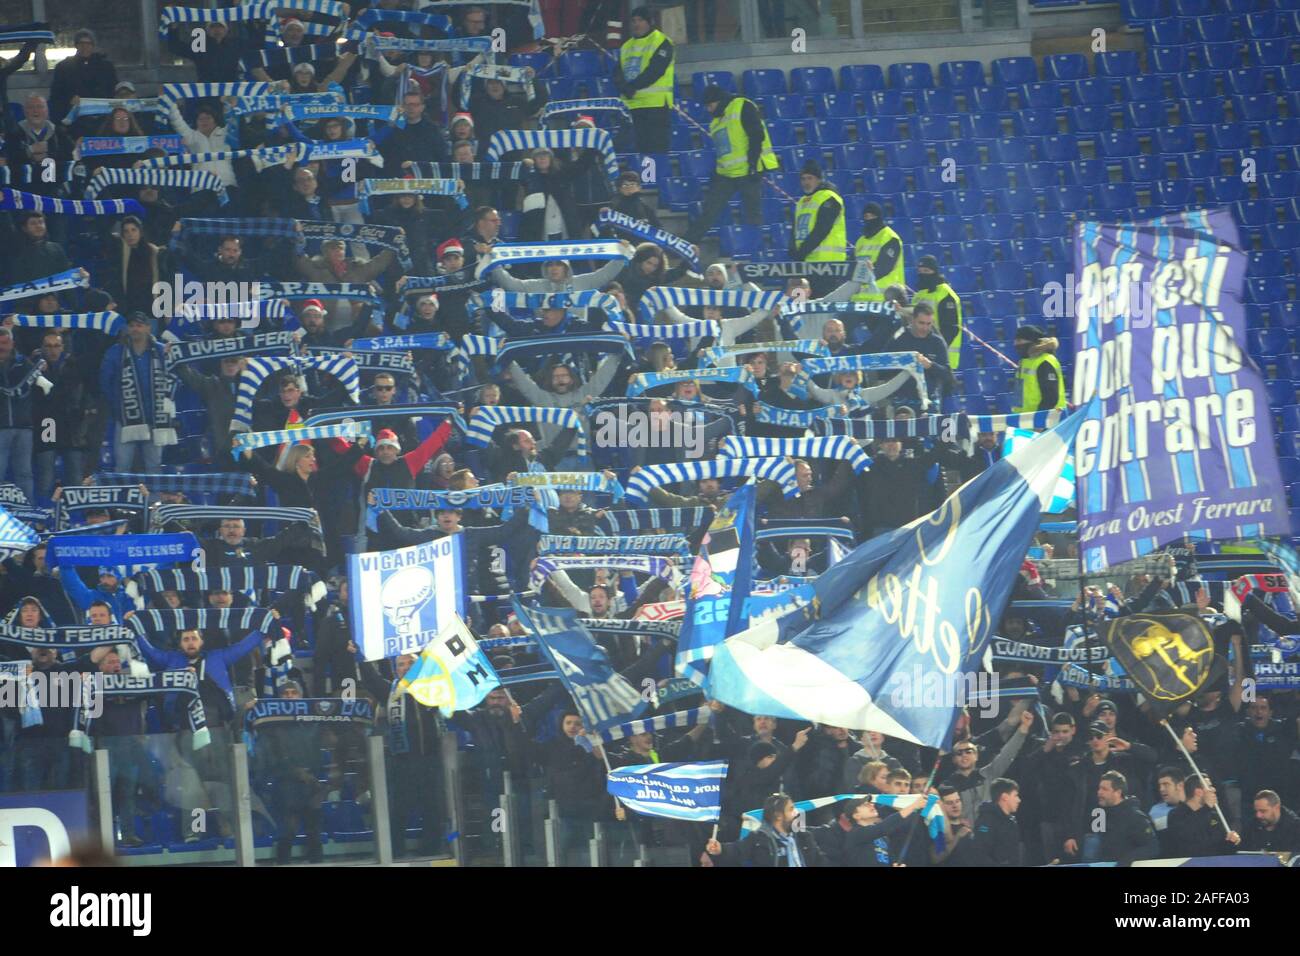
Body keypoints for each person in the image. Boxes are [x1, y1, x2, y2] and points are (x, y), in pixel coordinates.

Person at [683, 85, 779, 245]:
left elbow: (757, 135)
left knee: (753, 215)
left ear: (718, 101)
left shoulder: (742, 105)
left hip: (749, 172)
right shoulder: (715, 122)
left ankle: (755, 250)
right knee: (710, 210)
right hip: (726, 174)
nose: (708, 110)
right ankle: (688, 242)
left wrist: (753, 164)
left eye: (710, 105)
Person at [99, 312, 176, 472]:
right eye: (132, 325)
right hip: (126, 417)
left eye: (139, 325)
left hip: (156, 418)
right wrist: (117, 407)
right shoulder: (116, 352)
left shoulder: (163, 351)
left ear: (148, 328)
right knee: (122, 464)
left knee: (154, 465)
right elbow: (105, 382)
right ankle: (121, 497)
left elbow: (175, 378)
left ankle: (154, 498)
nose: (135, 329)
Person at [704, 792, 828, 867]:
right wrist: (720, 848)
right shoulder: (759, 839)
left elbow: (820, 861)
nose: (796, 813)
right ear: (778, 815)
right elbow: (737, 850)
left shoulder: (804, 837)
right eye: (791, 809)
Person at [616, 7, 674, 155]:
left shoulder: (662, 42)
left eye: (640, 20)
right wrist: (624, 86)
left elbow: (655, 71)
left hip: (655, 106)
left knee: (656, 152)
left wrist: (632, 86)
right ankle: (648, 178)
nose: (636, 24)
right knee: (643, 154)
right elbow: (617, 72)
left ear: (649, 22)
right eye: (633, 21)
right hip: (633, 106)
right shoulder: (626, 46)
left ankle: (654, 179)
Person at [1087, 770, 1160, 865]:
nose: (1099, 792)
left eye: (1104, 789)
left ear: (1118, 792)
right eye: (1099, 788)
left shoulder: (1135, 817)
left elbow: (1152, 847)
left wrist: (1127, 860)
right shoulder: (1100, 814)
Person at [1164, 773, 1242, 858]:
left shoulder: (1214, 815)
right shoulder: (1175, 815)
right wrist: (1206, 808)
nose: (1214, 789)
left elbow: (1220, 848)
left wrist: (1231, 841)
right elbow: (1187, 839)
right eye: (1209, 786)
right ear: (1198, 791)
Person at [910, 255, 963, 370]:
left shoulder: (945, 294)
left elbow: (951, 329)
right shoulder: (919, 294)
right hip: (921, 357)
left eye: (926, 271)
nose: (922, 274)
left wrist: (935, 351)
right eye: (920, 271)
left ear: (935, 271)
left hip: (942, 360)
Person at [791, 163, 846, 268]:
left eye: (810, 178)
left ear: (819, 180)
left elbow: (822, 229)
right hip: (806, 260)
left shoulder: (829, 198)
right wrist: (793, 250)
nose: (806, 182)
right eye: (803, 179)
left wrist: (801, 252)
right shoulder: (801, 202)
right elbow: (795, 228)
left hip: (828, 261)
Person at [851, 202, 904, 302]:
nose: (869, 219)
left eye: (872, 216)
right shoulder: (860, 241)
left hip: (884, 300)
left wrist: (859, 277)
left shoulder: (890, 238)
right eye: (866, 216)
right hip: (860, 300)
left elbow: (883, 268)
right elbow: (851, 266)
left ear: (879, 217)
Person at [1012, 324, 1067, 413]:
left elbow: (1050, 397)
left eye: (1019, 340)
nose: (1015, 344)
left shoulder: (1045, 361)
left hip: (1048, 420)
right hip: (1025, 418)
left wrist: (1039, 421)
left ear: (1031, 341)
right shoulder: (1024, 362)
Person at [970, 778, 1023, 866]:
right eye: (1015, 795)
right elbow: (981, 856)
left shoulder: (1011, 821)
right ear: (1005, 797)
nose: (1019, 800)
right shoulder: (986, 821)